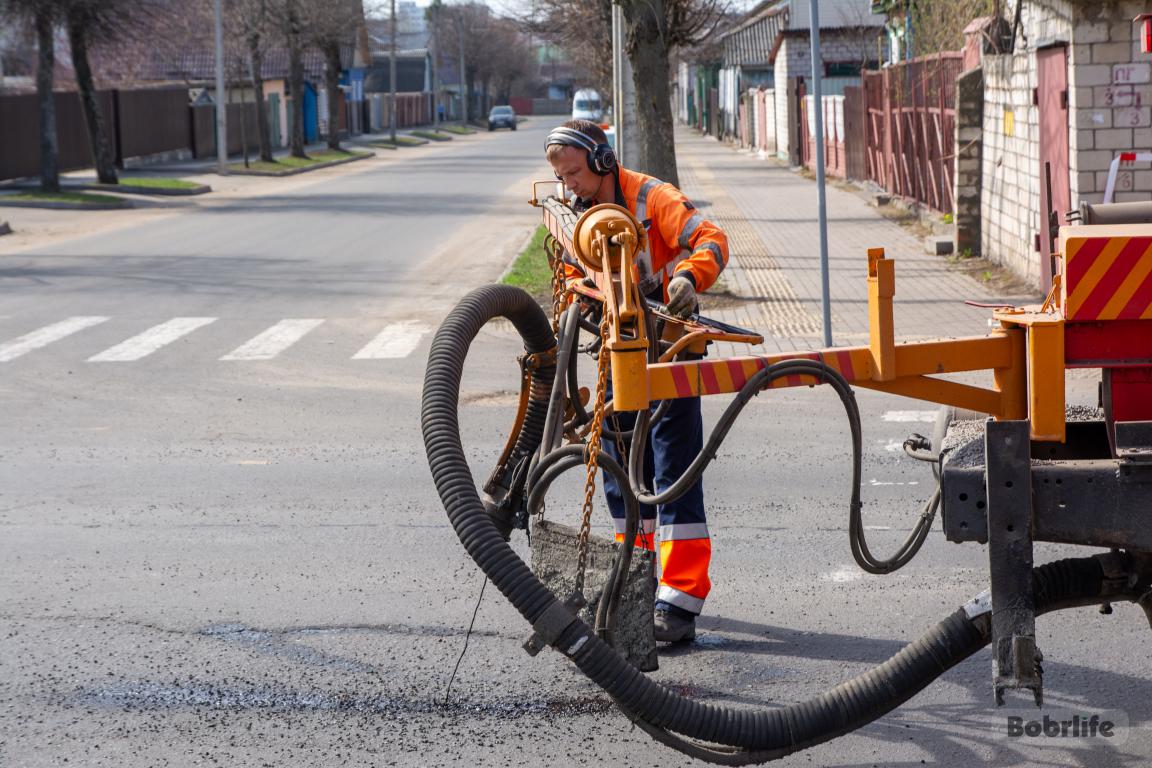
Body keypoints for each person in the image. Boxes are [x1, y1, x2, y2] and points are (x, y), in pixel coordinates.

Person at [545, 119, 729, 643]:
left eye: (576, 174)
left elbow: (712, 241)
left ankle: (681, 601)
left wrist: (687, 278)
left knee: (672, 475)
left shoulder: (653, 197)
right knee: (620, 473)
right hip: (614, 350)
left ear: (603, 162)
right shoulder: (573, 211)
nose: (570, 186)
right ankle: (639, 579)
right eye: (562, 178)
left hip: (669, 349)